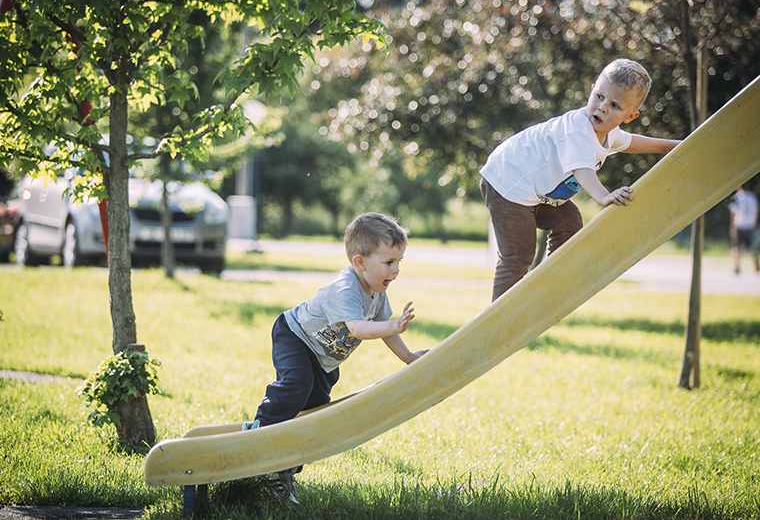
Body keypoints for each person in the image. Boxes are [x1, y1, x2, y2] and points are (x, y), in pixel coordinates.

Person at [243, 212, 429, 507]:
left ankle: (282, 471)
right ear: (360, 262)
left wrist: (408, 356)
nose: (395, 271)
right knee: (296, 383)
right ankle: (259, 432)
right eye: (389, 263)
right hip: (295, 336)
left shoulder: (378, 292)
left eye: (399, 262)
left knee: (313, 411)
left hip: (324, 361)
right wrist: (393, 325)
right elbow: (358, 328)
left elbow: (385, 329)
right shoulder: (345, 289)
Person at [479, 58, 681, 301]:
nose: (603, 108)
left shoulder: (611, 134)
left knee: (569, 220)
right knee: (518, 254)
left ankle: (549, 282)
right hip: (508, 183)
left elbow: (632, 142)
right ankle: (497, 319)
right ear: (592, 89)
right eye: (599, 96)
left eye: (615, 106)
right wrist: (603, 196)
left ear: (630, 116)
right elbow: (582, 169)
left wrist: (669, 146)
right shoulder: (577, 128)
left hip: (534, 192)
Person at [729, 183, 759, 274]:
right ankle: (756, 262)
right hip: (749, 225)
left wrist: (733, 226)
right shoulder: (752, 197)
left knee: (736, 246)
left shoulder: (737, 197)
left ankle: (737, 266)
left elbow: (734, 213)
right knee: (750, 246)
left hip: (739, 225)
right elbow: (756, 212)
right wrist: (753, 224)